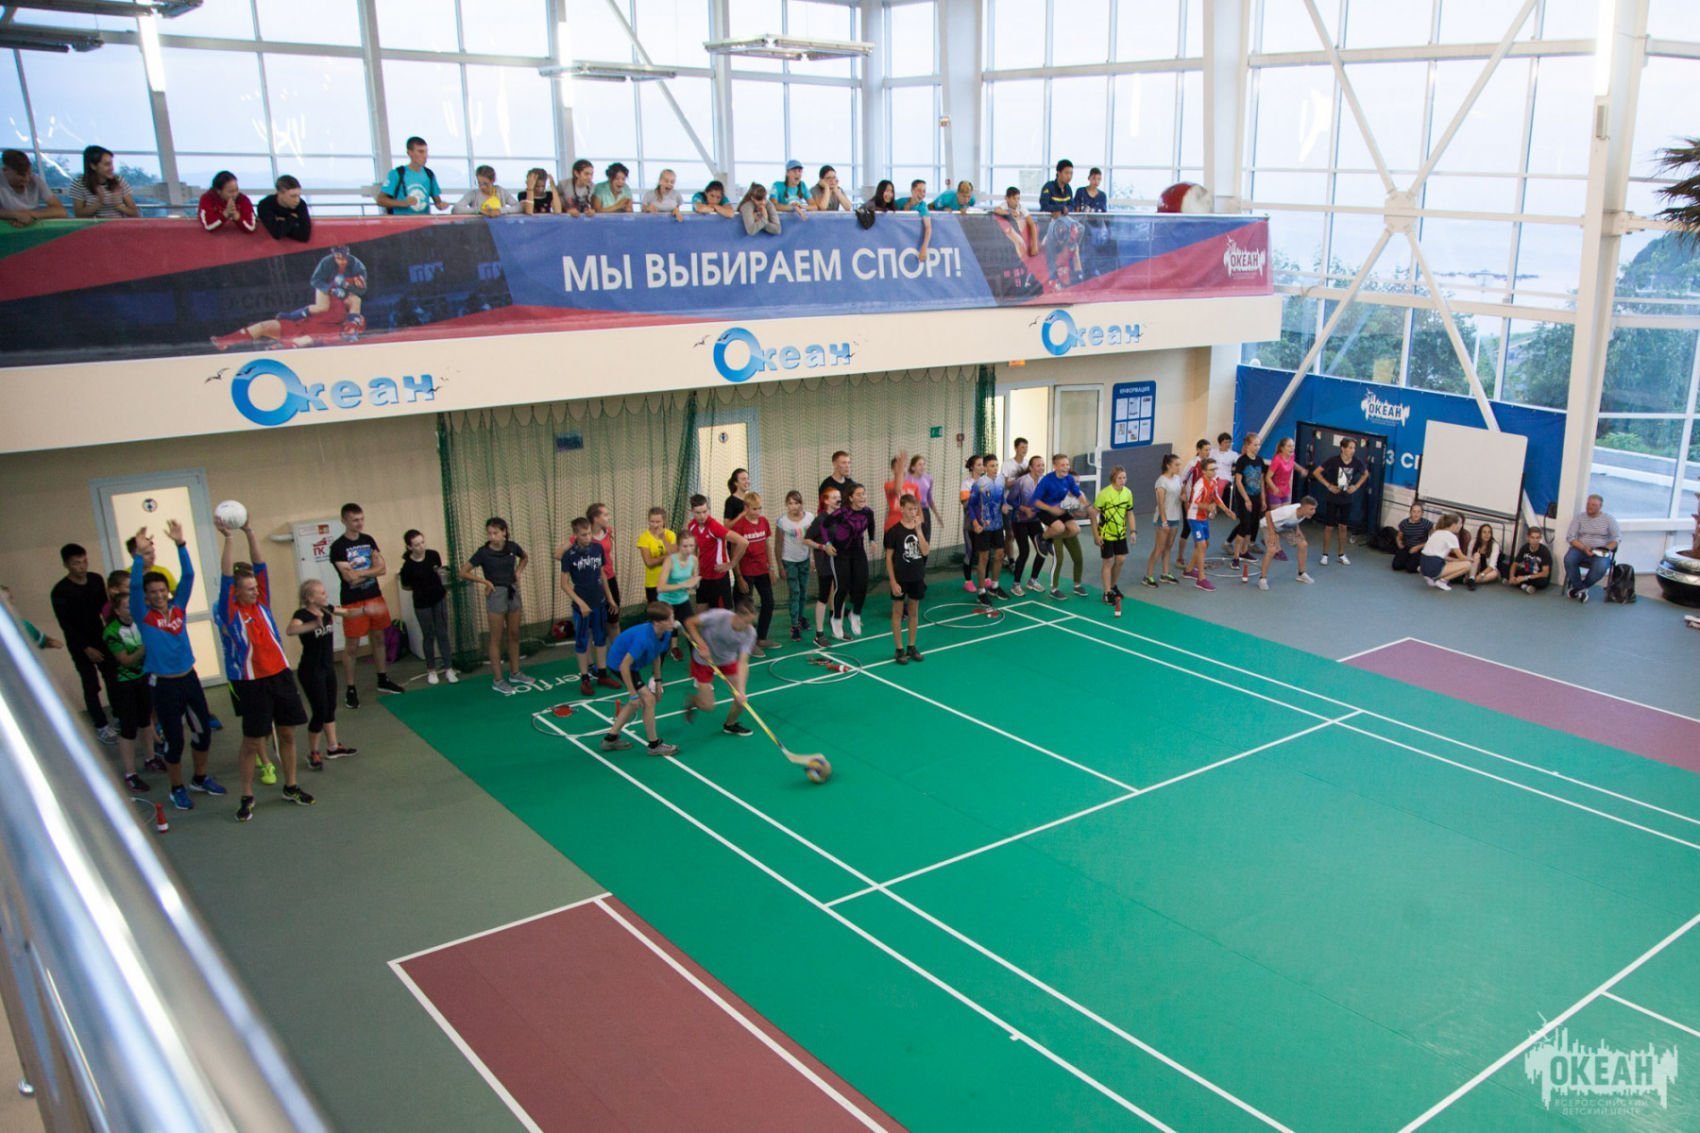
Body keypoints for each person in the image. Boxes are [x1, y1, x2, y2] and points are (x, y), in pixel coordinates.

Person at [213, 515, 314, 822]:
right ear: (235, 592)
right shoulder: (229, 611)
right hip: (251, 682)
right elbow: (226, 575)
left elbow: (260, 565)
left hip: (280, 675)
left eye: (256, 587)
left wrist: (249, 532)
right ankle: (247, 795)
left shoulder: (262, 603)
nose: (255, 591)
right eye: (249, 589)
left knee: (287, 734)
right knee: (253, 741)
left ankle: (291, 785)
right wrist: (229, 538)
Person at [129, 522, 222, 811]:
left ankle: (200, 778)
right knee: (174, 741)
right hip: (164, 685)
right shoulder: (143, 615)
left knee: (202, 733)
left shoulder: (178, 607)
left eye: (162, 590)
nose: (159, 595)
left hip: (189, 679)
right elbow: (134, 585)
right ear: (146, 596)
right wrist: (139, 555)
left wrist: (181, 545)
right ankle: (177, 788)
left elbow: (189, 575)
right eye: (153, 592)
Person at [211, 244, 367, 350]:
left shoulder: (352, 303)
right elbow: (315, 308)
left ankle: (279, 349)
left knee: (304, 341)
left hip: (315, 336)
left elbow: (352, 326)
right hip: (300, 325)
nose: (341, 262)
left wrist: (351, 328)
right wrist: (292, 316)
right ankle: (225, 341)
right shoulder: (325, 289)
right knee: (263, 326)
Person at [329, 503, 403, 705]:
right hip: (352, 601)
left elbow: (382, 569)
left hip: (374, 596)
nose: (359, 523)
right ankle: (351, 689)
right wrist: (369, 571)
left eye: (361, 519)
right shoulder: (338, 547)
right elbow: (349, 578)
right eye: (355, 520)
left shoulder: (368, 540)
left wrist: (360, 573)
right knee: (352, 646)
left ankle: (383, 679)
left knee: (379, 638)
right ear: (344, 520)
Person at [52, 542, 117, 744]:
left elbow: (105, 610)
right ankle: (101, 725)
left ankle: (118, 715)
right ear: (66, 565)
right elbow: (66, 624)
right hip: (79, 643)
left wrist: (113, 633)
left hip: (100, 636)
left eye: (84, 561)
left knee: (113, 678)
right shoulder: (60, 591)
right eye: (76, 563)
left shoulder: (96, 580)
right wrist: (85, 648)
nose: (82, 566)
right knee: (91, 685)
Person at [287, 579, 355, 771]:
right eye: (322, 593)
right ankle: (313, 752)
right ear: (310, 598)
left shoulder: (327, 609)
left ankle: (333, 747)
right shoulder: (301, 615)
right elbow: (291, 630)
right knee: (319, 711)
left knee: (330, 707)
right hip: (311, 670)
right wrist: (312, 625)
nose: (326, 595)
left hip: (327, 668)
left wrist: (366, 609)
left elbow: (348, 612)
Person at [460, 517, 529, 693]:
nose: (492, 536)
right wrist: (485, 582)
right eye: (489, 533)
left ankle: (515, 672)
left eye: (495, 533)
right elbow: (463, 571)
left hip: (512, 591)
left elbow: (524, 557)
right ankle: (498, 680)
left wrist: (518, 572)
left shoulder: (512, 547)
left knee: (514, 633)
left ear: (504, 532)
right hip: (496, 593)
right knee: (496, 638)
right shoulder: (483, 553)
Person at [599, 603, 678, 756]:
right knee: (648, 699)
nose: (673, 622)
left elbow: (656, 654)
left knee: (637, 703)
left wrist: (658, 681)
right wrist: (633, 694)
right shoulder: (644, 639)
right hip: (619, 663)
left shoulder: (666, 633)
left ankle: (610, 739)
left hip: (632, 665)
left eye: (673, 617)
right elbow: (624, 666)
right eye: (669, 619)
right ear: (657, 622)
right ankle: (654, 745)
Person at [101, 570, 150, 792]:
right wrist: (146, 646)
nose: (132, 609)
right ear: (118, 610)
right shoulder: (111, 632)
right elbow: (126, 660)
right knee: (129, 727)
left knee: (146, 721)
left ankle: (150, 758)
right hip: (124, 683)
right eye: (128, 606)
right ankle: (130, 773)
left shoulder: (141, 623)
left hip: (143, 679)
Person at [560, 517, 620, 698]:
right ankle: (585, 678)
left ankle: (602, 674)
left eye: (589, 534)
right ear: (575, 535)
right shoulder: (569, 555)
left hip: (599, 602)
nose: (587, 538)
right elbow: (564, 584)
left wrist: (610, 598)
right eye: (583, 535)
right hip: (582, 606)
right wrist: (580, 603)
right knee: (582, 640)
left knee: (601, 639)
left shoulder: (597, 548)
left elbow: (602, 574)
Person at [681, 601, 757, 734]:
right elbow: (689, 622)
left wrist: (741, 690)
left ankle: (729, 725)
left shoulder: (750, 632)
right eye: (746, 622)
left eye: (751, 622)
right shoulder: (718, 616)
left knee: (740, 700)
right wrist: (701, 644)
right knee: (708, 706)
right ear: (737, 616)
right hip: (704, 661)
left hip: (727, 661)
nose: (748, 626)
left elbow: (743, 662)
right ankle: (693, 700)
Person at [398, 529, 455, 684]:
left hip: (439, 599)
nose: (421, 546)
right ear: (409, 547)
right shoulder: (408, 566)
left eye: (422, 542)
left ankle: (449, 668)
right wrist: (421, 589)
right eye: (417, 545)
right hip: (422, 604)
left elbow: (438, 571)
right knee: (428, 635)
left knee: (442, 633)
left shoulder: (433, 555)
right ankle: (431, 669)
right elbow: (405, 585)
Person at [729, 492, 780, 653]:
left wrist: (771, 568)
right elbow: (733, 553)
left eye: (759, 508)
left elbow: (766, 545)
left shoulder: (764, 522)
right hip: (746, 572)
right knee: (746, 609)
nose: (757, 512)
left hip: (762, 570)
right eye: (754, 509)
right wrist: (739, 577)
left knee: (769, 603)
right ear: (746, 508)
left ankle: (761, 637)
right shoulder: (739, 526)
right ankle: (747, 642)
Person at [1033, 454, 1090, 598]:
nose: (1066, 467)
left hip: (1061, 514)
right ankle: (1042, 538)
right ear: (1055, 466)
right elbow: (1036, 502)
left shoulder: (1069, 479)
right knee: (1059, 552)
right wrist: (1051, 509)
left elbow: (1078, 494)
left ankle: (1077, 585)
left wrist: (1088, 506)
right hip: (1046, 511)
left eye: (1067, 464)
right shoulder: (1047, 481)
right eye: (1062, 465)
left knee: (1075, 530)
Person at [884, 494, 929, 664]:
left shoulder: (920, 528)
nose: (913, 512)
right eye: (909, 509)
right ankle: (899, 649)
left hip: (917, 576)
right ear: (901, 509)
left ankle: (911, 646)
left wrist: (918, 530)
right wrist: (893, 581)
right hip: (900, 578)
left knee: (913, 612)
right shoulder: (894, 531)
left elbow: (925, 551)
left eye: (915, 509)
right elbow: (889, 558)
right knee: (897, 612)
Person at [686, 494, 747, 612]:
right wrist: (694, 571)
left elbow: (743, 542)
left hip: (718, 579)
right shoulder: (691, 526)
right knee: (702, 617)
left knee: (722, 618)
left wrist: (731, 564)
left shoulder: (714, 526)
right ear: (691, 512)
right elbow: (694, 549)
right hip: (703, 578)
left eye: (704, 511)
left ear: (708, 509)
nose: (702, 516)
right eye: (698, 513)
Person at [1312, 437, 1368, 565]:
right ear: (1343, 448)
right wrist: (1328, 485)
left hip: (1347, 499)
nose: (1353, 450)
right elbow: (1316, 472)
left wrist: (1356, 486)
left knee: (1343, 527)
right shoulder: (1333, 460)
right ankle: (1325, 555)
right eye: (1350, 448)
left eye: (1354, 448)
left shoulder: (1357, 462)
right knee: (1329, 527)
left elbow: (1365, 474)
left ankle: (1341, 554)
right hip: (1332, 498)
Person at [1184, 461, 1237, 592]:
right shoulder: (1200, 485)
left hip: (1203, 517)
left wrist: (1226, 510)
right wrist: (1208, 507)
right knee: (1202, 545)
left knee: (1204, 544)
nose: (1214, 472)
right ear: (1204, 472)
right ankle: (1201, 579)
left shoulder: (1213, 482)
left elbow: (1216, 497)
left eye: (1215, 469)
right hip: (1194, 517)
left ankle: (1189, 570)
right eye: (1211, 469)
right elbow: (1194, 503)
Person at [831, 484, 877, 636]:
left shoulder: (868, 512)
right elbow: (824, 527)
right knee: (843, 587)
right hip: (841, 554)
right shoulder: (841, 513)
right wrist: (827, 544)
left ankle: (855, 614)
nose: (862, 497)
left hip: (858, 552)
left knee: (862, 584)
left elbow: (871, 524)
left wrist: (872, 539)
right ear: (851, 498)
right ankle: (836, 619)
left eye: (863, 493)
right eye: (858, 494)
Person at [1563, 493, 1621, 602]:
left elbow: (1617, 538)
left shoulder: (1609, 519)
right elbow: (1570, 537)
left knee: (1601, 567)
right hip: (1581, 548)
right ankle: (1580, 588)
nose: (1590, 507)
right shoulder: (1579, 518)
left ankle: (1579, 588)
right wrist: (1584, 548)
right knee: (1569, 560)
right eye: (1588, 504)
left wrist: (1606, 548)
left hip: (1600, 550)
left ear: (1600, 507)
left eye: (1593, 505)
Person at [775, 491, 816, 643]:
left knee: (803, 591)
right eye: (790, 503)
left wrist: (812, 558)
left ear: (801, 504)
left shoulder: (809, 518)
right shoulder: (782, 522)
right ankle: (794, 626)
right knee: (795, 591)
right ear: (787, 505)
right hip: (789, 561)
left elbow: (813, 538)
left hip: (804, 560)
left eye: (796, 503)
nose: (793, 506)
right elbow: (778, 544)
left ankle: (800, 617)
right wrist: (780, 566)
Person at [1093, 465, 1136, 604]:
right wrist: (1096, 535)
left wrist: (1133, 531)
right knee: (1108, 562)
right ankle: (1106, 593)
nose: (1123, 480)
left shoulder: (1128, 493)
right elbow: (1093, 515)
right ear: (1113, 479)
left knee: (1121, 560)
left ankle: (1112, 586)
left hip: (1120, 533)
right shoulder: (1104, 494)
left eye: (1124, 477)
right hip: (1106, 534)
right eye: (1119, 478)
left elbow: (1130, 513)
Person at [1006, 454, 1048, 596]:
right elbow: (1010, 499)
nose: (1041, 468)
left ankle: (1032, 580)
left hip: (1034, 520)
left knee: (1042, 550)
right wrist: (1024, 509)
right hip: (1019, 521)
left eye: (1042, 465)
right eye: (1038, 465)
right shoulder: (1022, 481)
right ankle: (1016, 584)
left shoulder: (1044, 482)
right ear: (1031, 468)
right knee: (1024, 552)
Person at [968, 456, 1007, 607]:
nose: (995, 468)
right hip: (983, 526)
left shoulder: (1001, 480)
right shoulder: (979, 484)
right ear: (985, 468)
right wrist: (975, 523)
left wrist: (1004, 505)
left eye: (996, 465)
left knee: (999, 555)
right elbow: (971, 506)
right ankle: (981, 591)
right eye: (992, 466)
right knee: (983, 558)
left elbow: (1002, 498)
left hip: (998, 525)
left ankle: (995, 587)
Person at [806, 487, 842, 648]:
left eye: (839, 497)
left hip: (839, 562)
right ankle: (819, 634)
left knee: (839, 593)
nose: (838, 500)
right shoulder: (820, 519)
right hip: (825, 563)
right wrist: (822, 547)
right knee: (823, 596)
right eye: (834, 497)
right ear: (826, 500)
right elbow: (807, 539)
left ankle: (837, 628)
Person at [1172, 438, 1213, 576]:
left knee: (1201, 532)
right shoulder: (1192, 464)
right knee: (1187, 528)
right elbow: (1183, 481)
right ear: (1198, 450)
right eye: (1206, 449)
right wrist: (1184, 498)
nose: (1208, 452)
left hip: (1202, 504)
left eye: (1209, 450)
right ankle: (1180, 558)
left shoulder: (1208, 465)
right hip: (1190, 502)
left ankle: (1198, 560)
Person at [1257, 498, 1318, 589]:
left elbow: (1295, 519)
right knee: (1272, 550)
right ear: (1303, 507)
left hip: (1283, 527)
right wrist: (1272, 533)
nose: (1314, 512)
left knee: (1303, 544)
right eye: (1311, 509)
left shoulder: (1304, 513)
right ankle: (1262, 579)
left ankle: (1301, 574)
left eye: (1314, 509)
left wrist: (1297, 529)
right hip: (1268, 526)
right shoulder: (1287, 512)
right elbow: (1268, 514)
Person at [1143, 453, 1185, 587]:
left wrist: (1183, 496)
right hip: (1163, 519)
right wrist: (1164, 521)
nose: (1179, 467)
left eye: (1179, 465)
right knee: (1159, 548)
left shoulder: (1178, 478)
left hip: (1175, 517)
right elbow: (1160, 503)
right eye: (1176, 465)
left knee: (1168, 547)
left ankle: (1165, 574)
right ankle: (1148, 576)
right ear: (1168, 465)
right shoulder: (1161, 481)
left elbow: (1181, 493)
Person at [376, 136, 447, 215]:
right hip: (402, 221)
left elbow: (438, 202)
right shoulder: (397, 174)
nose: (425, 156)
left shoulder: (429, 174)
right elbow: (380, 200)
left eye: (426, 152)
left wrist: (441, 205)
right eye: (420, 152)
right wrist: (403, 203)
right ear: (409, 153)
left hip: (424, 221)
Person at [0, 149, 67, 227]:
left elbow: (61, 211)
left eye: (29, 173)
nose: (26, 179)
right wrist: (15, 215)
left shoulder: (35, 180)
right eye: (21, 174)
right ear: (5, 170)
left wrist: (32, 215)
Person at [70, 146, 138, 218]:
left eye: (111, 164)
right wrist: (98, 202)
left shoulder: (119, 181)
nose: (112, 168)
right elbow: (79, 215)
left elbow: (135, 213)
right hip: (93, 224)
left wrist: (119, 206)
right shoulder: (80, 183)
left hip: (117, 223)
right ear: (93, 166)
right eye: (107, 164)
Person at [1230, 434, 1266, 565]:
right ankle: (1236, 556)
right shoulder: (1242, 461)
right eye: (1255, 445)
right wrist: (1246, 499)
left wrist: (1263, 499)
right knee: (1244, 525)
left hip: (1256, 496)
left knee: (1252, 524)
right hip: (1244, 497)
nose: (1257, 447)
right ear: (1248, 445)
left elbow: (1261, 481)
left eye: (1259, 445)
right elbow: (1239, 482)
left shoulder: (1260, 461)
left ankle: (1244, 551)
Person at [586, 502, 622, 621]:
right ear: (596, 518)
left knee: (614, 619)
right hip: (594, 582)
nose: (609, 517)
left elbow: (606, 553)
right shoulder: (585, 536)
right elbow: (559, 554)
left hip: (610, 577)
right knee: (595, 620)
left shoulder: (608, 531)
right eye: (605, 515)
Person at [1418, 514, 1470, 591]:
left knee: (1447, 562)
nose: (1461, 526)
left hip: (1423, 565)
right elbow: (1462, 557)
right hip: (1434, 567)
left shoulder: (1437, 532)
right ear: (1454, 525)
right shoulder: (1452, 537)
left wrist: (1456, 561)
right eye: (1460, 523)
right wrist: (1471, 559)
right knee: (1468, 564)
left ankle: (1429, 576)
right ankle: (1442, 581)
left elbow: (1440, 555)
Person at [636, 508, 677, 605]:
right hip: (653, 584)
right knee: (656, 613)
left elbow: (674, 557)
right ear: (648, 521)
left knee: (671, 611)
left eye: (658, 522)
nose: (655, 525)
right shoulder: (644, 537)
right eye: (652, 521)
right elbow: (649, 563)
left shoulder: (670, 535)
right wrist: (667, 556)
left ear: (664, 521)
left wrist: (663, 538)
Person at [4, 585, 63, 650]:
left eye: (11, 598)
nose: (12, 602)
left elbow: (43, 640)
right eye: (7, 600)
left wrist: (53, 643)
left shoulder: (23, 625)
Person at [257, 175, 311, 242]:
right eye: (293, 196)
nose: (297, 200)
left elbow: (304, 236)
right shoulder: (265, 205)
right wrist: (292, 218)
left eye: (299, 195)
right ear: (280, 193)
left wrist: (282, 223)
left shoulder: (301, 205)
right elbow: (277, 233)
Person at [991, 186, 1040, 257]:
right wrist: (1010, 213)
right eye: (1014, 198)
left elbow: (1032, 224)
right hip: (1011, 232)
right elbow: (996, 210)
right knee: (1019, 243)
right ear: (1007, 198)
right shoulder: (1004, 205)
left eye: (1018, 198)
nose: (1017, 201)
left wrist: (1035, 245)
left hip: (1024, 232)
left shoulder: (1021, 207)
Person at [451, 165, 518, 216]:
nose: (482, 187)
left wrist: (500, 211)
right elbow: (456, 209)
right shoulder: (473, 194)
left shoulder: (501, 192)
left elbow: (519, 207)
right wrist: (479, 210)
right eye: (479, 183)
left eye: (485, 184)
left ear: (493, 180)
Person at [958, 455, 983, 593]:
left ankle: (985, 579)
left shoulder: (986, 481)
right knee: (970, 552)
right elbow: (966, 504)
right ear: (972, 467)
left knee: (984, 552)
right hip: (970, 525)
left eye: (982, 464)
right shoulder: (966, 484)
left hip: (984, 524)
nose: (982, 467)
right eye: (979, 464)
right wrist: (978, 495)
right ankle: (968, 581)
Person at [882, 448, 921, 533]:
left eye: (904, 466)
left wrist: (920, 522)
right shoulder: (888, 485)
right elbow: (897, 489)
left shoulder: (914, 486)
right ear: (893, 469)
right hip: (893, 525)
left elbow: (918, 506)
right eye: (899, 466)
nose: (902, 468)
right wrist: (901, 466)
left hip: (910, 525)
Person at [1505, 527, 1554, 594]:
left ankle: (1521, 585)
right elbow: (1515, 564)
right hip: (1527, 572)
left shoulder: (1544, 551)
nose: (1535, 540)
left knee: (1541, 582)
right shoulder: (1525, 547)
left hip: (1538, 576)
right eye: (1532, 537)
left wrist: (1525, 578)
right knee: (1507, 568)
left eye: (1537, 538)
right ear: (1528, 537)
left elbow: (1545, 573)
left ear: (1540, 538)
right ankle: (1524, 586)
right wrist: (1512, 576)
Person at [1264, 437, 1305, 510]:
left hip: (1285, 490)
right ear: (1282, 448)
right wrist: (1274, 488)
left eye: (1293, 446)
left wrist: (1301, 469)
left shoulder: (1292, 455)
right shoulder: (1277, 460)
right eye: (1289, 446)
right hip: (1275, 491)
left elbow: (1292, 463)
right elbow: (1268, 477)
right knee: (1277, 514)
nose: (1292, 448)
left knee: (1285, 513)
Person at [1391, 502, 1432, 574]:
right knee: (1396, 566)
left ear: (1422, 513)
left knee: (1410, 568)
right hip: (1407, 546)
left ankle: (1421, 563)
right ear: (1410, 512)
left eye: (1419, 512)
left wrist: (1418, 547)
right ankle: (1409, 560)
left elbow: (1433, 539)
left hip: (1419, 548)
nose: (1416, 514)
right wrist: (1399, 543)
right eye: (1414, 511)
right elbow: (1399, 537)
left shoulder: (1427, 524)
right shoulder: (1404, 523)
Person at [898, 179, 934, 255]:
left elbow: (928, 227)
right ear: (912, 190)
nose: (922, 194)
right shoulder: (901, 202)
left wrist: (924, 248)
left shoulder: (922, 206)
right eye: (919, 190)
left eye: (924, 191)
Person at [1466, 523, 1502, 591]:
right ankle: (1471, 577)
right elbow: (1468, 559)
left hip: (1487, 572)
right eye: (1484, 532)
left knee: (1495, 573)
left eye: (1489, 532)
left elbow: (1492, 566)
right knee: (1476, 555)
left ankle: (1471, 581)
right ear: (1480, 533)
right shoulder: (1473, 542)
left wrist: (1481, 575)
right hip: (1474, 569)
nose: (1487, 535)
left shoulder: (1495, 545)